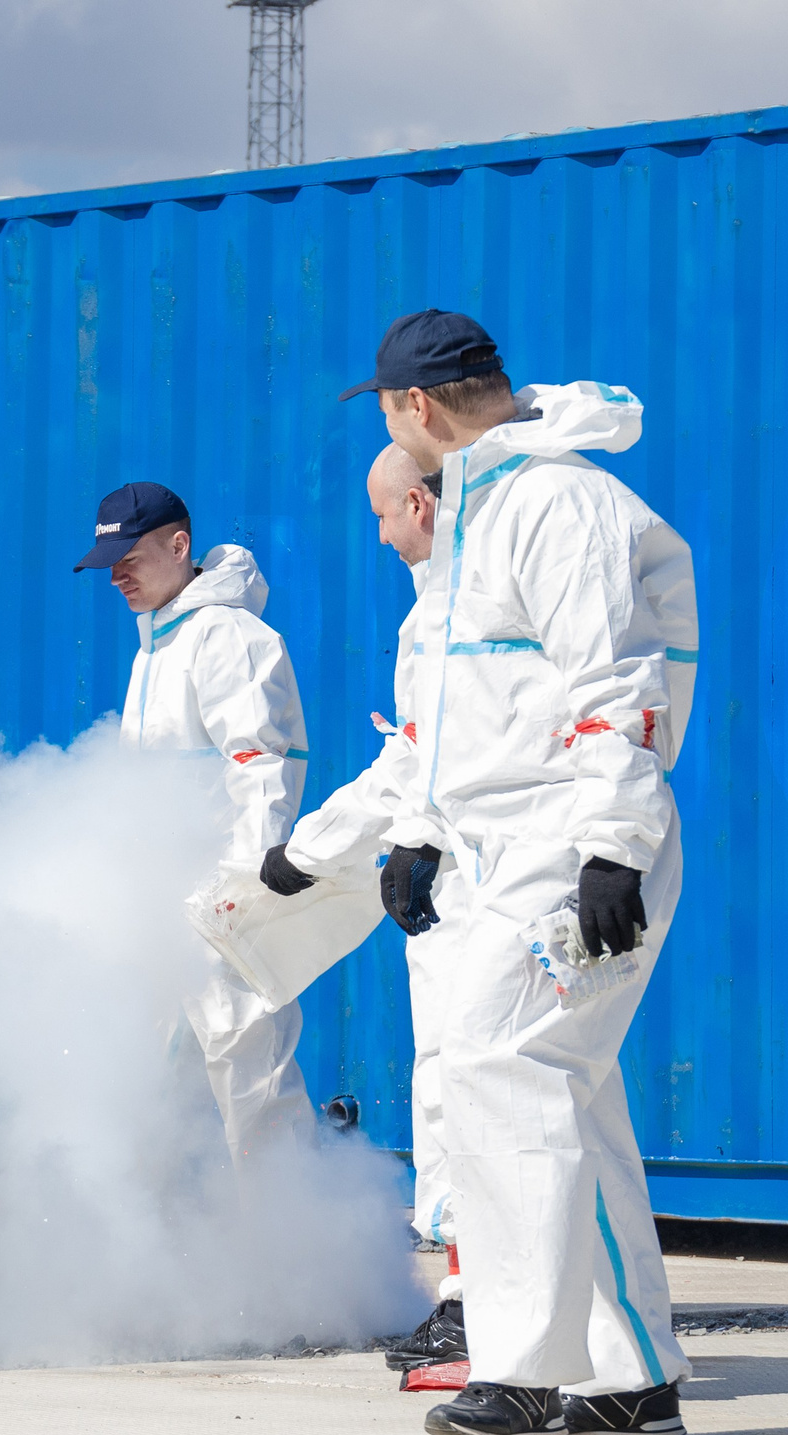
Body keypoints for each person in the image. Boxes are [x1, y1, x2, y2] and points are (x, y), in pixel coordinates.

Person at [270, 310, 697, 1435]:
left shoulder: (556, 502)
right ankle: (631, 1370)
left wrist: (613, 847)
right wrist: (416, 830)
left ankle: (517, 1365)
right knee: (563, 1097)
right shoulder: (479, 519)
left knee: (497, 1076)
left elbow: (614, 677)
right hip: (509, 849)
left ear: (414, 408)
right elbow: (463, 717)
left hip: (569, 846)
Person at [259, 448, 469, 1374]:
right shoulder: (437, 607)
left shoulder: (464, 603)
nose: (380, 535)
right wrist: (311, 851)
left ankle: (487, 1308)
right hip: (458, 886)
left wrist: (312, 847)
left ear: (419, 502)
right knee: (457, 1089)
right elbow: (411, 759)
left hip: (488, 882)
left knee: (483, 1095)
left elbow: (428, 763)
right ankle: (477, 1298)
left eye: (385, 515)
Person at [76, 481, 315, 1163]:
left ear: (180, 545)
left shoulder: (226, 636)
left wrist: (248, 888)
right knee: (158, 1080)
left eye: (131, 554)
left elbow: (260, 765)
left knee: (251, 1072)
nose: (117, 572)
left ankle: (290, 1254)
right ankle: (184, 1253)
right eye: (108, 560)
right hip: (163, 902)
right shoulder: (156, 644)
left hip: (222, 897)